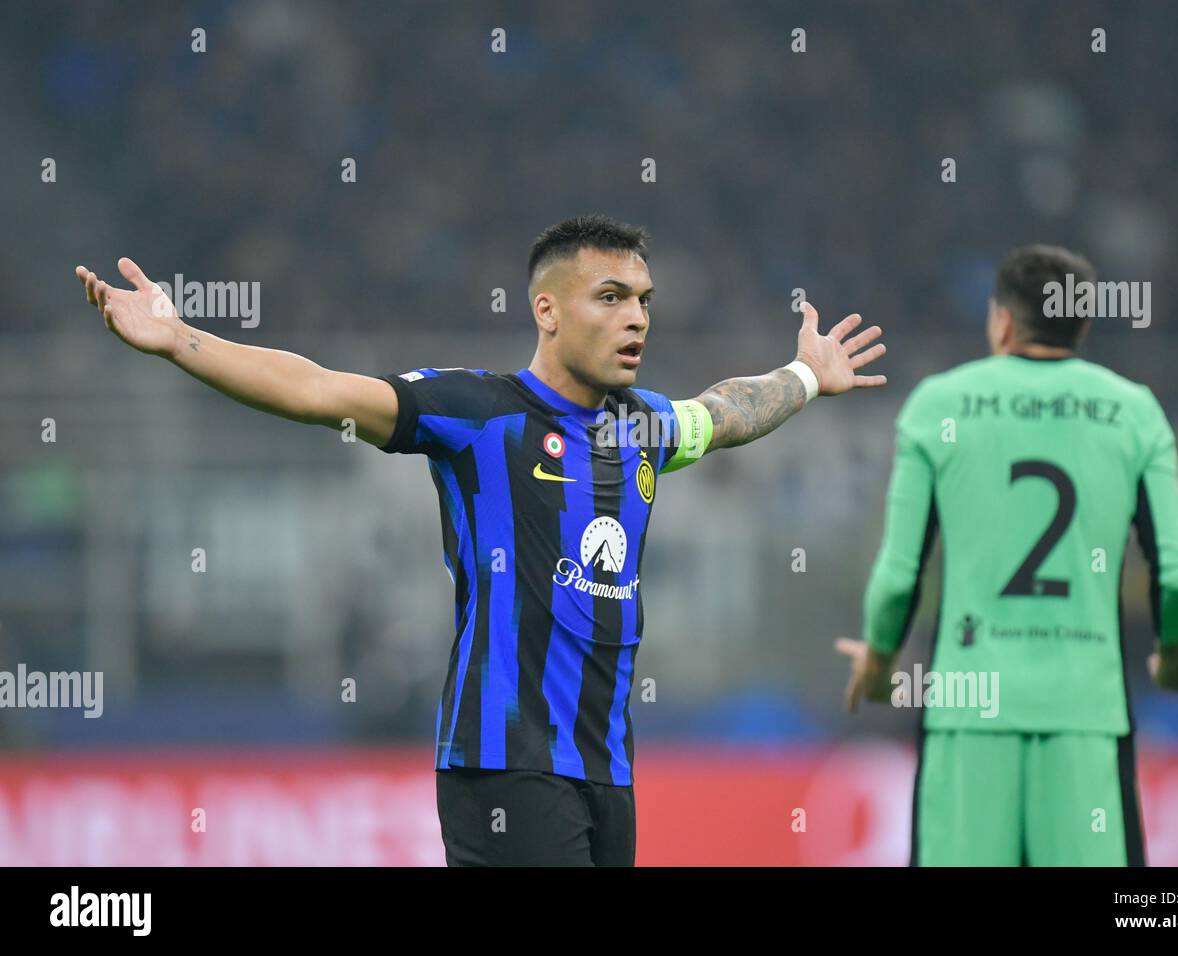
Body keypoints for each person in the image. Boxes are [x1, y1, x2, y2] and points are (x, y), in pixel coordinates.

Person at [76, 214, 888, 866]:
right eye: (609, 296)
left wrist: (807, 377)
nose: (636, 316)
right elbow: (320, 391)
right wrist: (179, 340)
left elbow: (727, 412)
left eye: (643, 298)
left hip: (605, 768)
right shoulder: (477, 414)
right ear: (546, 310)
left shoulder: (642, 429)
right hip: (504, 766)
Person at [835, 244, 1178, 866]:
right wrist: (1174, 656)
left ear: (1003, 322)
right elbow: (1175, 574)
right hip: (1085, 715)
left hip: (966, 717)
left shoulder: (939, 406)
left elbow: (897, 576)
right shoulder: (1133, 411)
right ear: (1082, 324)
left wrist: (880, 663)